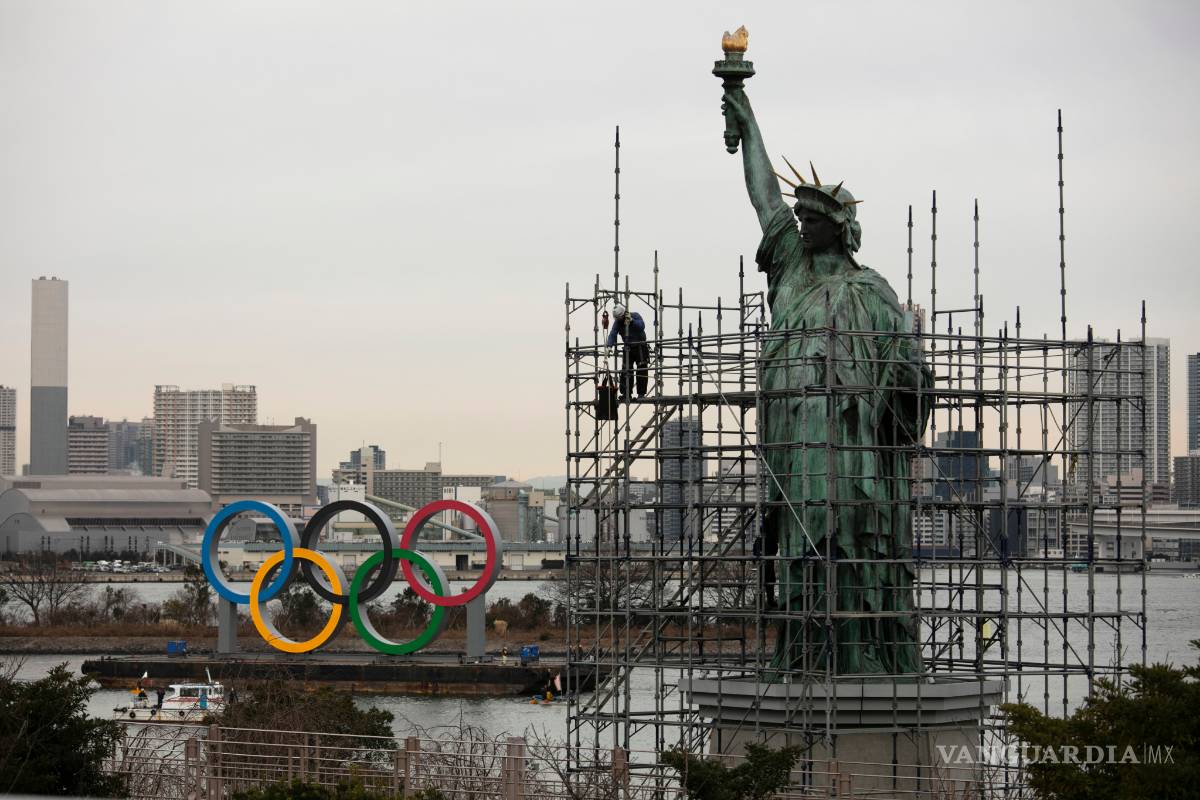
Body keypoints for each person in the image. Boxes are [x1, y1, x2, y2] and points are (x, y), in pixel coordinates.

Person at [721, 87, 931, 676]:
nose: (803, 228)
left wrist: (911, 381)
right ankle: (805, 651)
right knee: (802, 544)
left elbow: (908, 367)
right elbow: (765, 200)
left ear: (840, 228)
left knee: (854, 541)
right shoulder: (791, 271)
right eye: (803, 220)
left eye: (814, 220)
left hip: (855, 447)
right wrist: (747, 116)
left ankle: (860, 653)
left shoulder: (874, 291)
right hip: (796, 445)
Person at [606, 303, 650, 400]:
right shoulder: (618, 322)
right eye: (618, 318)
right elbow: (613, 333)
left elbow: (641, 326)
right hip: (628, 347)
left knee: (641, 370)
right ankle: (626, 393)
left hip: (640, 346)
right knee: (626, 371)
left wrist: (632, 321)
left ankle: (641, 394)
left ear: (624, 314)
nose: (620, 320)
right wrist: (609, 346)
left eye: (620, 317)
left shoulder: (635, 316)